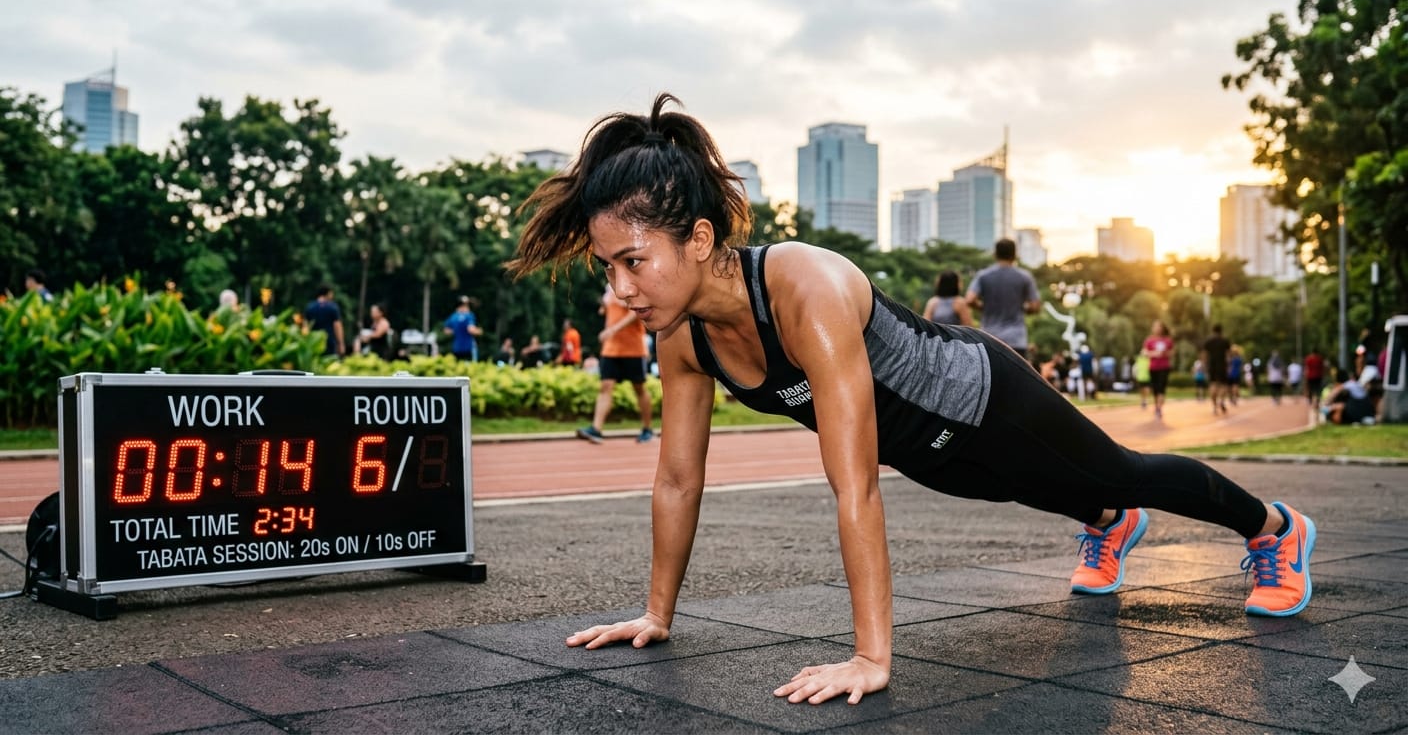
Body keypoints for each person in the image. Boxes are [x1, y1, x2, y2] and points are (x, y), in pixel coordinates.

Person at [505, 93, 1316, 707]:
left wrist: (871, 656)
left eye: (633, 262)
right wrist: (656, 614)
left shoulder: (803, 287)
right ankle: (1107, 525)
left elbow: (851, 482)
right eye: (607, 267)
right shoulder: (683, 337)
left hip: (983, 399)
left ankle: (1276, 530)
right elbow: (678, 479)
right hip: (929, 452)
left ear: (702, 240)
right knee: (1047, 491)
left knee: (1122, 469)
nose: (618, 290)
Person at [576, 284, 655, 444]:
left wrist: (613, 330)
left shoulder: (632, 287)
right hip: (611, 349)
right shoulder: (608, 290)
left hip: (633, 347)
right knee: (606, 386)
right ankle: (596, 429)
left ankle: (647, 429)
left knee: (639, 388)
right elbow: (609, 314)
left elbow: (636, 313)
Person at [965, 238, 1041, 361]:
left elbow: (969, 299)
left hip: (989, 337)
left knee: (991, 379)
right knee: (1015, 379)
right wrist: (1021, 307)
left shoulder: (983, 275)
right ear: (1015, 255)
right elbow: (1035, 306)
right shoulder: (1024, 277)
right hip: (1016, 339)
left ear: (995, 254)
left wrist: (984, 307)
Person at [303, 284, 345, 358]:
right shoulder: (332, 307)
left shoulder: (310, 307)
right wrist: (340, 343)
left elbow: (305, 327)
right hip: (329, 342)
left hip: (314, 343)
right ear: (328, 293)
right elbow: (337, 326)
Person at [1142, 320, 1173, 418]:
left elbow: (1172, 353)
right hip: (1153, 367)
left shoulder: (1167, 340)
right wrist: (1154, 353)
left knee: (1161, 388)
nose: (1157, 328)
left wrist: (1164, 353)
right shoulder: (1149, 340)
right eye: (1155, 326)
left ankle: (1159, 408)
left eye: (1159, 326)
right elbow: (1144, 352)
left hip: (1164, 367)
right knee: (1155, 389)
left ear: (1162, 328)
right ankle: (1157, 406)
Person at [443, 296, 483, 362]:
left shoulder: (453, 316)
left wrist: (457, 331)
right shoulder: (469, 315)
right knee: (470, 368)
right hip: (468, 347)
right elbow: (470, 330)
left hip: (456, 348)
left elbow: (446, 331)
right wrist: (479, 331)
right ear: (465, 305)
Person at [1203, 324, 1231, 415]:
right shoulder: (1225, 341)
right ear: (1221, 331)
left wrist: (1205, 365)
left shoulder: (1208, 341)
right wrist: (1228, 366)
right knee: (1223, 385)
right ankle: (1221, 400)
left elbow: (1205, 354)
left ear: (1213, 331)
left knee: (1212, 385)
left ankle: (1214, 406)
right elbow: (1228, 355)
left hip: (1212, 366)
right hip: (1222, 365)